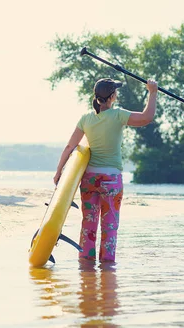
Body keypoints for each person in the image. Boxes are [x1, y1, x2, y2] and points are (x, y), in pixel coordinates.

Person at [53, 77, 158, 262]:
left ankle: (86, 271)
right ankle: (107, 271)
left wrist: (59, 172)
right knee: (109, 228)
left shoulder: (86, 118)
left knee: (88, 225)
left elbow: (70, 147)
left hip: (89, 179)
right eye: (115, 92)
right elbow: (146, 118)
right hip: (111, 180)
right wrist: (153, 92)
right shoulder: (118, 115)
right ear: (112, 97)